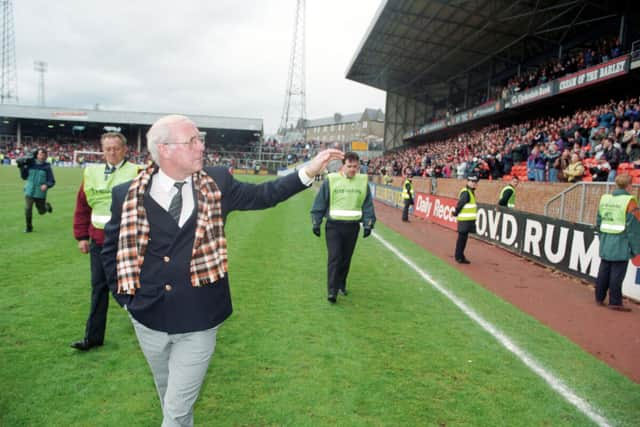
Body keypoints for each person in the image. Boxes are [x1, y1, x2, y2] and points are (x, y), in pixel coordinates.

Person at [101, 115, 342, 426]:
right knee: (171, 400)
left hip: (199, 318)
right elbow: (110, 252)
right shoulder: (126, 194)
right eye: (192, 141)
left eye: (199, 139)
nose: (202, 146)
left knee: (174, 411)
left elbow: (264, 195)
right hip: (148, 319)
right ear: (165, 149)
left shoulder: (217, 182)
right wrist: (127, 302)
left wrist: (309, 170)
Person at [71, 132, 140, 351]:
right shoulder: (91, 173)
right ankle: (92, 338)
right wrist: (82, 236)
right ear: (102, 150)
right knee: (98, 289)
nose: (112, 152)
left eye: (116, 148)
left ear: (124, 150)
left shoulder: (137, 172)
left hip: (128, 243)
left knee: (134, 287)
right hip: (99, 242)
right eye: (107, 148)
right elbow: (82, 206)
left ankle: (148, 333)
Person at [310, 152, 376, 303]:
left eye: (355, 166)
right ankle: (332, 291)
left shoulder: (362, 182)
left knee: (346, 259)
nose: (353, 169)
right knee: (334, 257)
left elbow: (367, 205)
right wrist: (316, 221)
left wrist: (368, 224)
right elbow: (321, 201)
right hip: (334, 226)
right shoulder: (331, 180)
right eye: (349, 166)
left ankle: (341, 284)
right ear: (343, 165)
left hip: (352, 227)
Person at [595, 174, 640, 311]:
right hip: (621, 241)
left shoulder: (605, 199)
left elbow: (599, 220)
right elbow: (634, 227)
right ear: (629, 186)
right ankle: (615, 301)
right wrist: (635, 248)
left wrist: (602, 237)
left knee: (604, 270)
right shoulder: (630, 201)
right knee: (617, 273)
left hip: (606, 239)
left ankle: (599, 297)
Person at [19, 148, 55, 233]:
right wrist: (21, 167)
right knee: (28, 209)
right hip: (29, 190)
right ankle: (29, 227)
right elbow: (24, 177)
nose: (41, 156)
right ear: (37, 155)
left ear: (46, 157)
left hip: (40, 193)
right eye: (40, 154)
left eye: (43, 155)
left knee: (41, 212)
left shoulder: (47, 167)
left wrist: (46, 185)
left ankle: (47, 206)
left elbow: (52, 181)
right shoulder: (30, 164)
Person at [452, 175, 478, 264]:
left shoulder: (469, 192)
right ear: (468, 182)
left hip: (467, 220)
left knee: (463, 239)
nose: (474, 183)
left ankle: (460, 255)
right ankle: (459, 256)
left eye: (475, 182)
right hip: (465, 220)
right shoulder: (466, 192)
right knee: (462, 240)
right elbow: (460, 204)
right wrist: (455, 212)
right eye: (472, 182)